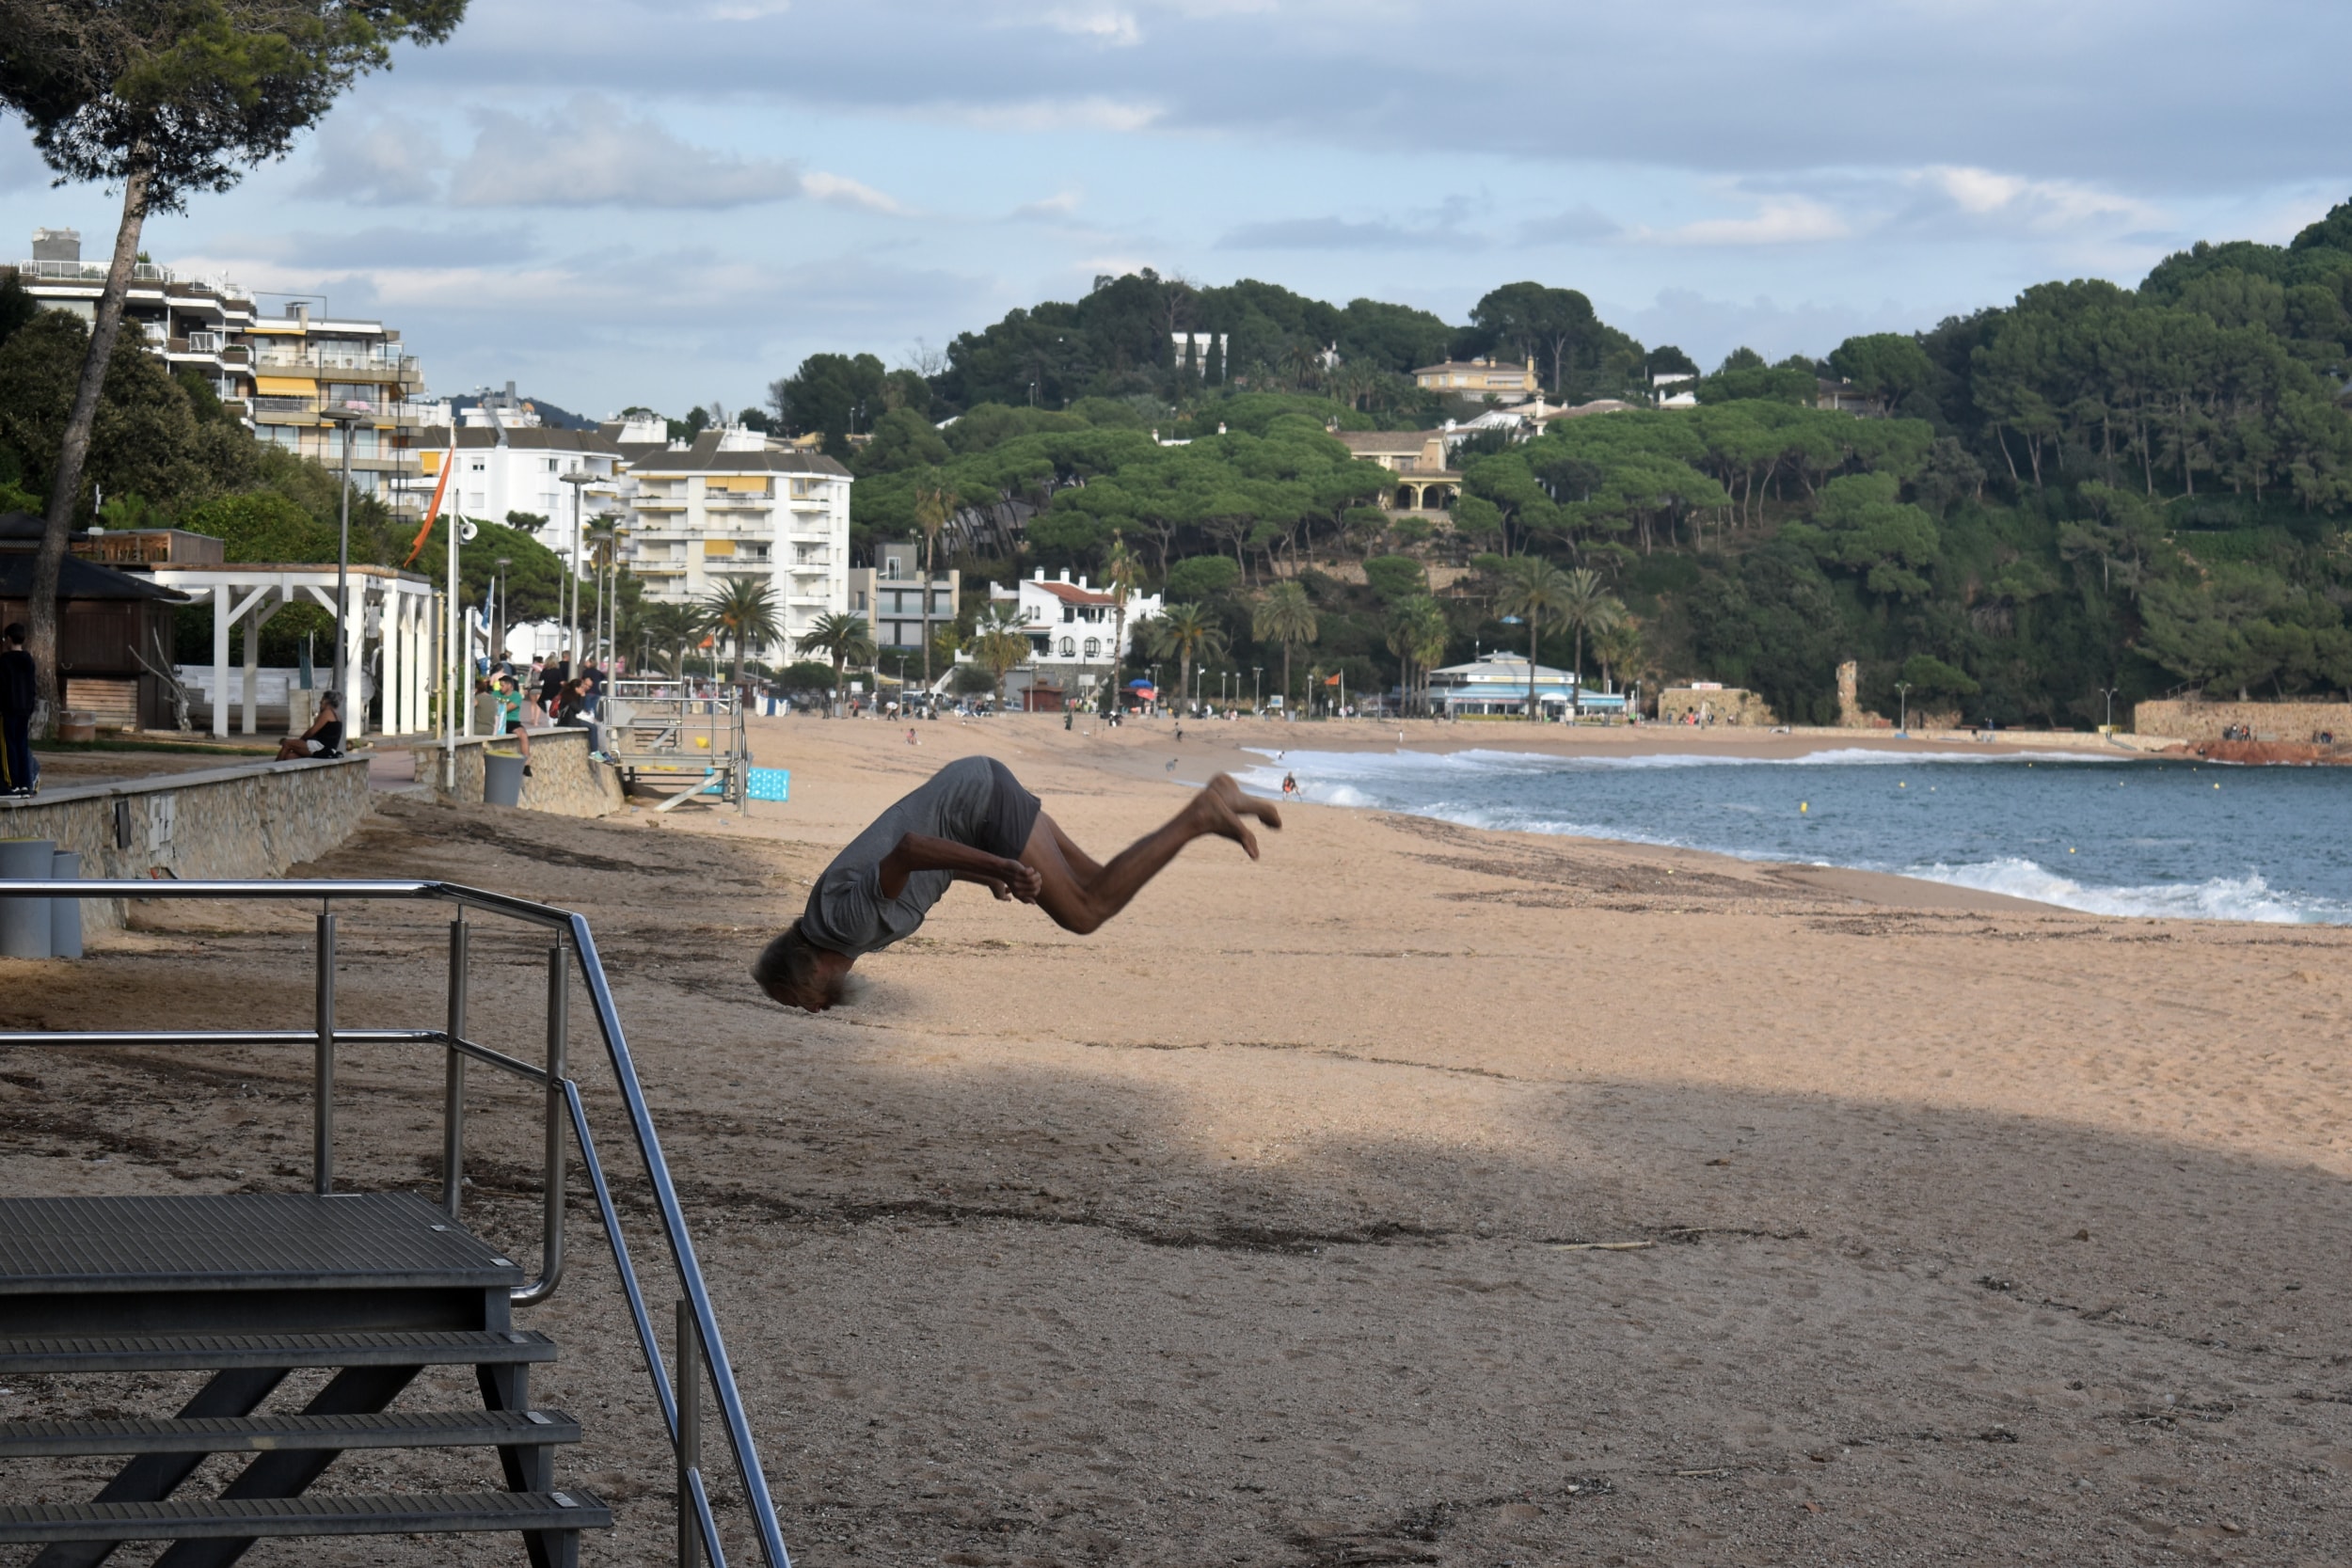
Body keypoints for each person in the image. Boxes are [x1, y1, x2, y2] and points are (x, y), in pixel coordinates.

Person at [753, 758, 1280, 1013]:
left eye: (800, 999)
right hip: (974, 794)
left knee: (1085, 911)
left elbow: (911, 847)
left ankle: (1201, 814)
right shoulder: (838, 925)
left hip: (977, 807)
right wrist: (986, 874)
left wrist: (1002, 865)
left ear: (806, 969)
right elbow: (916, 867)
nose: (812, 1009)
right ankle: (1220, 797)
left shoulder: (844, 925)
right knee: (1097, 883)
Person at [0, 622, 37, 797]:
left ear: (8, 639)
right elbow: (32, 686)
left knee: (9, 746)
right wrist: (30, 706)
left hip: (9, 708)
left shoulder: (5, 661)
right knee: (23, 745)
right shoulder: (28, 660)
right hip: (24, 709)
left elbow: (2, 687)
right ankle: (25, 783)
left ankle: (12, 783)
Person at [277, 689, 343, 760]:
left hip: (321, 747)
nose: (320, 702)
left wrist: (301, 740)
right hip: (329, 749)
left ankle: (274, 768)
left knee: (287, 743)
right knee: (289, 756)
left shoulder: (327, 713)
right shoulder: (338, 715)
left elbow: (311, 731)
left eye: (322, 700)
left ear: (326, 701)